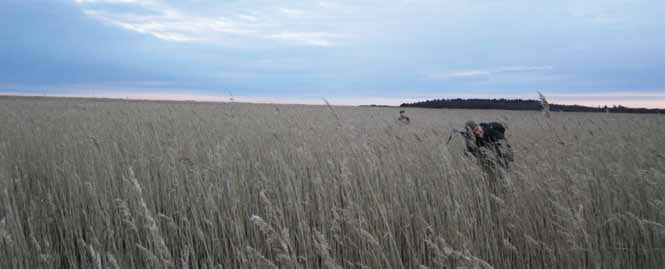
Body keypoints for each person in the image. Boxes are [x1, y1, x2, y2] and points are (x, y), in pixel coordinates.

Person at [462, 121, 514, 193]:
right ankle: (496, 192)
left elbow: (504, 149)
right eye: (474, 132)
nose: (477, 132)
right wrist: (468, 140)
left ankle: (507, 193)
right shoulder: (477, 139)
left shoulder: (491, 132)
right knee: (493, 181)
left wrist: (496, 157)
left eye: (477, 129)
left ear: (479, 126)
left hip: (504, 159)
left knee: (505, 181)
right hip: (492, 162)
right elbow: (474, 153)